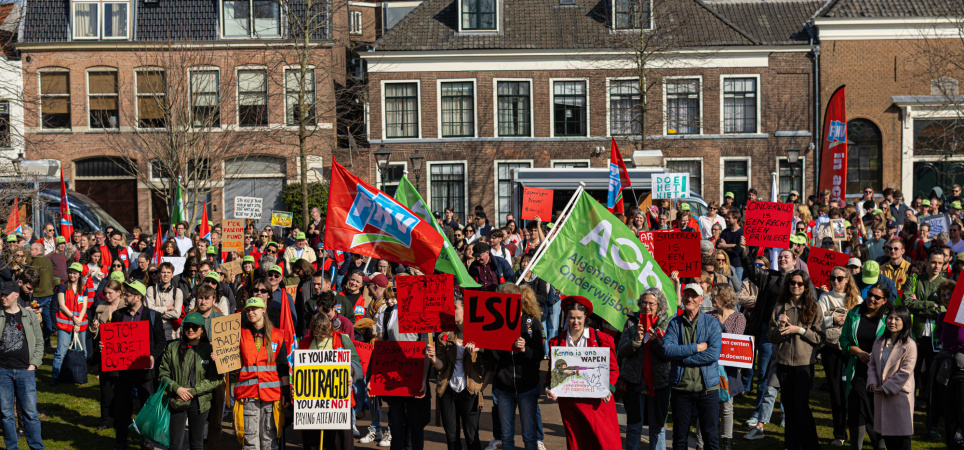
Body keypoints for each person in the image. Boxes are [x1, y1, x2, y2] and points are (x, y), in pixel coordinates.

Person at [544, 296, 620, 449]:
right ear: (566, 317)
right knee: (577, 443)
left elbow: (613, 369)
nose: (575, 322)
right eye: (572, 318)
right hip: (570, 402)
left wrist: (609, 388)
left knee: (605, 443)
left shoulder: (602, 340)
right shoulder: (557, 342)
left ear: (586, 317)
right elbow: (552, 372)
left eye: (579, 318)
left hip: (597, 403)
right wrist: (548, 387)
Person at [482, 284, 545, 450]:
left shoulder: (532, 323)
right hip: (504, 389)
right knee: (507, 437)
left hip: (527, 388)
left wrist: (525, 349)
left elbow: (539, 355)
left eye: (502, 300)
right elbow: (493, 360)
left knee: (530, 437)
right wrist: (483, 347)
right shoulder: (495, 324)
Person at [767, 270, 823, 450]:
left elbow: (818, 337)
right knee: (789, 408)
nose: (795, 286)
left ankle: (810, 444)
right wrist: (781, 328)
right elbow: (771, 336)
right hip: (783, 363)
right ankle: (791, 444)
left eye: (799, 283)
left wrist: (798, 330)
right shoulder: (780, 306)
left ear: (806, 286)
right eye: (792, 283)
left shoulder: (814, 306)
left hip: (804, 363)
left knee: (801, 407)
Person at [663, 283, 723, 450]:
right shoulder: (674, 323)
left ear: (701, 300)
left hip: (707, 389)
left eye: (693, 296)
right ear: (681, 298)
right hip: (681, 388)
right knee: (679, 438)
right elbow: (667, 350)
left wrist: (683, 359)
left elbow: (713, 355)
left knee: (711, 438)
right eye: (686, 295)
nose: (689, 299)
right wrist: (695, 348)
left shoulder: (712, 323)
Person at [110, 280, 167, 450]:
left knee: (146, 406)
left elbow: (161, 341)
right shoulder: (118, 315)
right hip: (123, 371)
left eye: (127, 294)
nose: (124, 297)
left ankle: (147, 441)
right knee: (122, 406)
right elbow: (113, 339)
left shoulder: (153, 315)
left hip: (144, 370)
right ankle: (121, 441)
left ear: (137, 297)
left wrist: (153, 355)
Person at [375, 277, 430, 450]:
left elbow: (427, 348)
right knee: (396, 423)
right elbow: (380, 347)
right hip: (393, 376)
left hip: (415, 376)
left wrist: (423, 379)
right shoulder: (385, 314)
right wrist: (374, 379)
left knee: (416, 423)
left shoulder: (422, 312)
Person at [425, 296, 486, 450]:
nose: (452, 310)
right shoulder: (444, 336)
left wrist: (480, 349)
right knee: (451, 437)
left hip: (470, 390)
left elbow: (492, 359)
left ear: (466, 312)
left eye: (456, 307)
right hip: (448, 389)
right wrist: (433, 358)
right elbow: (442, 366)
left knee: (471, 437)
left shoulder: (480, 334)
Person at [297, 312, 361, 450]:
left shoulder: (342, 339)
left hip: (338, 401)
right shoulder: (304, 343)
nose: (320, 336)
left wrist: (350, 374)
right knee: (314, 441)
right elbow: (297, 369)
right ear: (312, 329)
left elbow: (356, 362)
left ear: (330, 326)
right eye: (317, 334)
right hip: (312, 401)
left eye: (323, 333)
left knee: (339, 441)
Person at [159, 312, 224, 450]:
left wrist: (193, 391)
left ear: (202, 329)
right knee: (174, 444)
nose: (190, 330)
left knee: (196, 443)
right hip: (177, 398)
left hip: (200, 401)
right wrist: (177, 388)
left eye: (195, 327)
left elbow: (215, 379)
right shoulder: (173, 347)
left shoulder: (210, 350)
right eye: (187, 326)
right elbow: (163, 374)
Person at [618, 287, 671, 450]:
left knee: (658, 428)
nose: (647, 306)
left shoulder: (667, 324)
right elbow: (621, 350)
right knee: (634, 426)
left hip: (659, 382)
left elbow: (669, 354)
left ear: (659, 305)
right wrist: (637, 340)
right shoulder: (631, 322)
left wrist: (655, 341)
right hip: (635, 381)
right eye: (644, 302)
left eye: (651, 303)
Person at [840, 283, 892, 449]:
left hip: (880, 373)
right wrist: (858, 352)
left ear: (884, 301)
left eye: (877, 297)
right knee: (856, 404)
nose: (872, 299)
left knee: (875, 409)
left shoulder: (889, 318)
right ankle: (856, 446)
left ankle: (880, 443)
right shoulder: (854, 313)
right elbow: (844, 340)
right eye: (870, 294)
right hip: (858, 370)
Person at [235, 296, 290, 450]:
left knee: (269, 439)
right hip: (248, 394)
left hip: (271, 395)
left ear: (263, 310)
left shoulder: (277, 334)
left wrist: (286, 390)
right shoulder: (239, 334)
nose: (251, 312)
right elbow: (230, 360)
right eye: (248, 310)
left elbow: (282, 365)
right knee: (250, 440)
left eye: (254, 309)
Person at [818, 266, 862, 447]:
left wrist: (848, 320)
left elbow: (863, 320)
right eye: (833, 278)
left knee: (853, 392)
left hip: (851, 349)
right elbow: (818, 320)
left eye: (840, 278)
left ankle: (857, 432)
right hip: (831, 349)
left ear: (847, 279)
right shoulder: (825, 297)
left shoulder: (856, 299)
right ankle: (839, 433)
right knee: (836, 393)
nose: (836, 281)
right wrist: (833, 320)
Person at [0, 281, 44, 450]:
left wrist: (33, 365)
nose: (2, 297)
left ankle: (37, 447)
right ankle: (12, 447)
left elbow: (40, 343)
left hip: (26, 370)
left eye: (6, 294)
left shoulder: (29, 315)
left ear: (16, 295)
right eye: (1, 294)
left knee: (30, 414)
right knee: (6, 414)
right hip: (3, 370)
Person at [866, 306, 916, 450]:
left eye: (897, 319)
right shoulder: (879, 341)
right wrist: (873, 382)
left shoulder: (910, 345)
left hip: (898, 395)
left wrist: (887, 388)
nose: (892, 321)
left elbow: (905, 371)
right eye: (890, 318)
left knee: (901, 439)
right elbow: (872, 363)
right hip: (881, 396)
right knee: (887, 437)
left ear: (905, 321)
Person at [709, 284, 745, 450]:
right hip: (710, 367)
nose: (711, 298)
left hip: (728, 368)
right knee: (708, 403)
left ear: (723, 296)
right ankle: (707, 439)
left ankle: (726, 441)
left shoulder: (739, 317)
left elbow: (734, 339)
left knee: (726, 405)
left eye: (714, 295)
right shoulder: (709, 316)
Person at [90, 279, 123, 430]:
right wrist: (93, 328)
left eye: (110, 293)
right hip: (104, 353)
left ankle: (120, 417)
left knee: (120, 387)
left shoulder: (125, 309)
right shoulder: (100, 308)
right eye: (105, 293)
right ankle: (106, 419)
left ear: (119, 293)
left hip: (121, 354)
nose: (107, 296)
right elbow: (94, 335)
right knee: (105, 387)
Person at [51, 262, 88, 384]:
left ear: (79, 275)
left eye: (75, 273)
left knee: (82, 352)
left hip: (79, 324)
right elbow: (61, 305)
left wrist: (79, 322)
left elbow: (84, 307)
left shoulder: (84, 288)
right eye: (71, 272)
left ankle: (76, 374)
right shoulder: (62, 286)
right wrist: (74, 318)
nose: (72, 275)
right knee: (61, 352)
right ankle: (55, 376)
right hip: (65, 323)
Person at [146, 261, 185, 341]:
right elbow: (150, 310)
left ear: (172, 275)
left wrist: (157, 314)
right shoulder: (150, 290)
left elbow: (176, 314)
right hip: (156, 335)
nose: (166, 274)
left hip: (173, 336)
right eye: (163, 272)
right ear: (159, 274)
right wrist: (167, 308)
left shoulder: (178, 292)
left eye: (168, 272)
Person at [28, 242, 57, 348]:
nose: (29, 251)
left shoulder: (36, 262)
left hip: (38, 294)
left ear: (37, 250)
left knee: (36, 318)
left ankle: (40, 341)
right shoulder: (48, 260)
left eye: (31, 249)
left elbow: (30, 278)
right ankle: (47, 339)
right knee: (46, 316)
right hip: (48, 292)